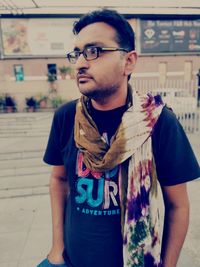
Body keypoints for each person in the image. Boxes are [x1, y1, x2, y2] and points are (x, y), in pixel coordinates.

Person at [37, 9, 200, 267]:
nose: (80, 63)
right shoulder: (66, 117)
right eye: (77, 53)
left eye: (94, 51)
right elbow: (58, 180)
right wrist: (57, 247)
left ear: (129, 61)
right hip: (72, 262)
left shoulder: (158, 122)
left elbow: (178, 206)